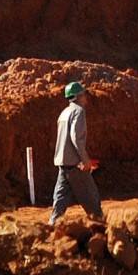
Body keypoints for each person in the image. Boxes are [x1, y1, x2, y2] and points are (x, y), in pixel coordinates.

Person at [46, 79, 103, 225]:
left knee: (60, 201)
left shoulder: (64, 113)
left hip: (62, 163)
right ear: (78, 96)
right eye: (83, 94)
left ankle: (52, 228)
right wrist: (85, 161)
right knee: (92, 199)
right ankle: (101, 228)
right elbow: (76, 138)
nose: (85, 97)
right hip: (75, 165)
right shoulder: (78, 112)